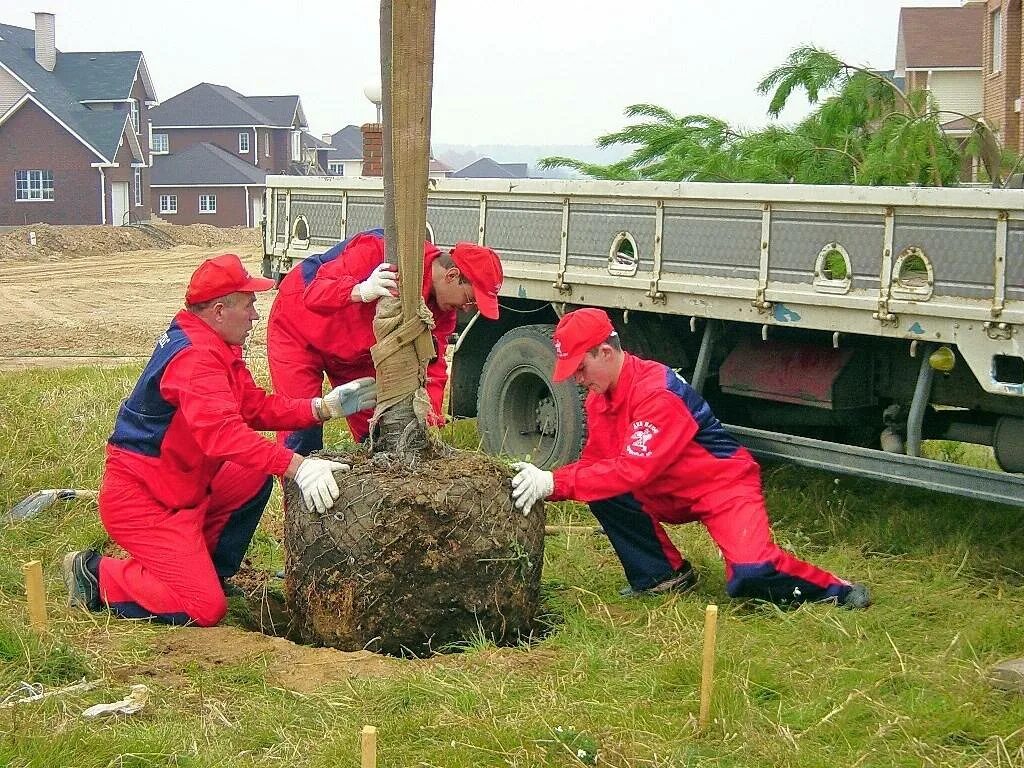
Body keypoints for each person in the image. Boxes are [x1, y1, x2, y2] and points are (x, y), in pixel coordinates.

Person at [62, 253, 377, 627]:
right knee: (203, 609)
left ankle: (209, 571)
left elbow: (252, 406)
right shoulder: (196, 358)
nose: (256, 317)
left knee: (252, 474)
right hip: (146, 502)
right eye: (249, 306)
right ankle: (98, 575)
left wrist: (321, 408)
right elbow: (223, 436)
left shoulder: (211, 343)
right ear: (219, 309)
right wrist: (298, 466)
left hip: (179, 486)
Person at [510, 308, 871, 608]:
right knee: (599, 487)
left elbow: (632, 470)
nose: (576, 379)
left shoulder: (657, 393)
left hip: (720, 487)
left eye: (580, 368)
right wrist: (546, 482)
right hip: (663, 488)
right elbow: (597, 465)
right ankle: (662, 576)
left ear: (605, 352)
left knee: (751, 575)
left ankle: (836, 591)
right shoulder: (601, 396)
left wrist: (555, 481)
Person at [267, 228, 503, 453]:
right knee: (301, 431)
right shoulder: (382, 250)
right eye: (470, 299)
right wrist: (361, 290)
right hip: (298, 330)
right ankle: (298, 491)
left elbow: (432, 365)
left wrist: (429, 417)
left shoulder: (442, 311)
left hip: (357, 356)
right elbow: (314, 293)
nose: (466, 308)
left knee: (379, 434)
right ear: (452, 276)